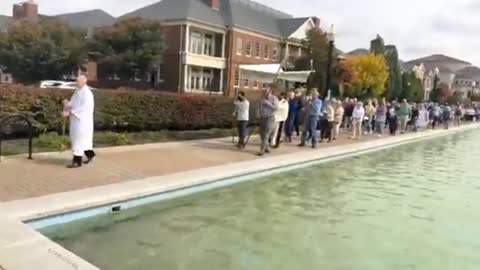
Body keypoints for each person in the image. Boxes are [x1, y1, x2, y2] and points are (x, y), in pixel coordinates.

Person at [63, 75, 95, 168]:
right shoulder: (77, 91)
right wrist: (67, 105)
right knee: (81, 140)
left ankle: (77, 161)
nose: (77, 83)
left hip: (82, 121)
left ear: (84, 81)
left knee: (79, 140)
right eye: (77, 81)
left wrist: (72, 111)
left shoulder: (87, 93)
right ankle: (90, 155)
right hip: (76, 120)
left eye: (79, 81)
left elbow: (86, 108)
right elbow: (73, 103)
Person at [258, 87, 279, 156]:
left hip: (270, 118)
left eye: (266, 92)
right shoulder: (262, 98)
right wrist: (258, 113)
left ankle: (262, 150)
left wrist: (267, 103)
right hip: (262, 117)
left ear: (270, 91)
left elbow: (276, 108)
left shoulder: (274, 98)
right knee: (261, 134)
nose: (265, 93)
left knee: (266, 134)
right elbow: (259, 107)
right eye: (264, 92)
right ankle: (266, 147)